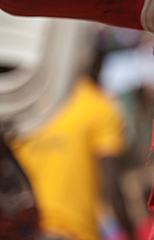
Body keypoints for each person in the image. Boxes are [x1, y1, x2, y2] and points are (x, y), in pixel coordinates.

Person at [10, 46, 135, 240]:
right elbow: (111, 188)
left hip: (28, 231)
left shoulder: (23, 107)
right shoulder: (99, 106)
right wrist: (131, 231)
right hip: (74, 233)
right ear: (96, 62)